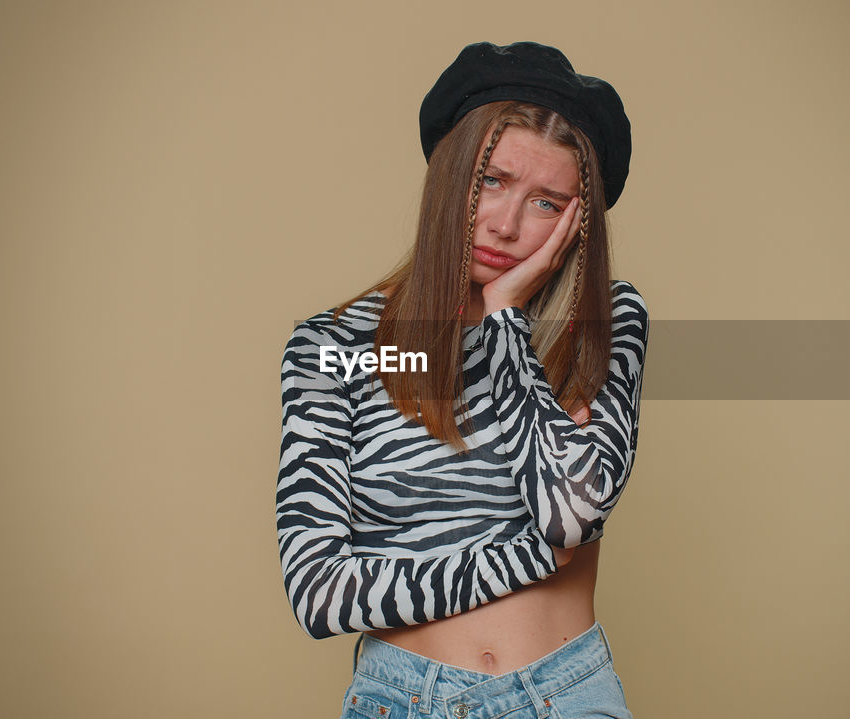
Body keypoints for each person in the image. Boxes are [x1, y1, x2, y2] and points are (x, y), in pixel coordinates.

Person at [276, 41, 647, 719]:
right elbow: (320, 591)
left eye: (546, 202)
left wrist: (506, 321)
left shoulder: (600, 322)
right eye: (493, 182)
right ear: (451, 179)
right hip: (399, 699)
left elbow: (570, 514)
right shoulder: (340, 347)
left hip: (566, 697)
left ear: (577, 222)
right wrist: (527, 560)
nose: (506, 225)